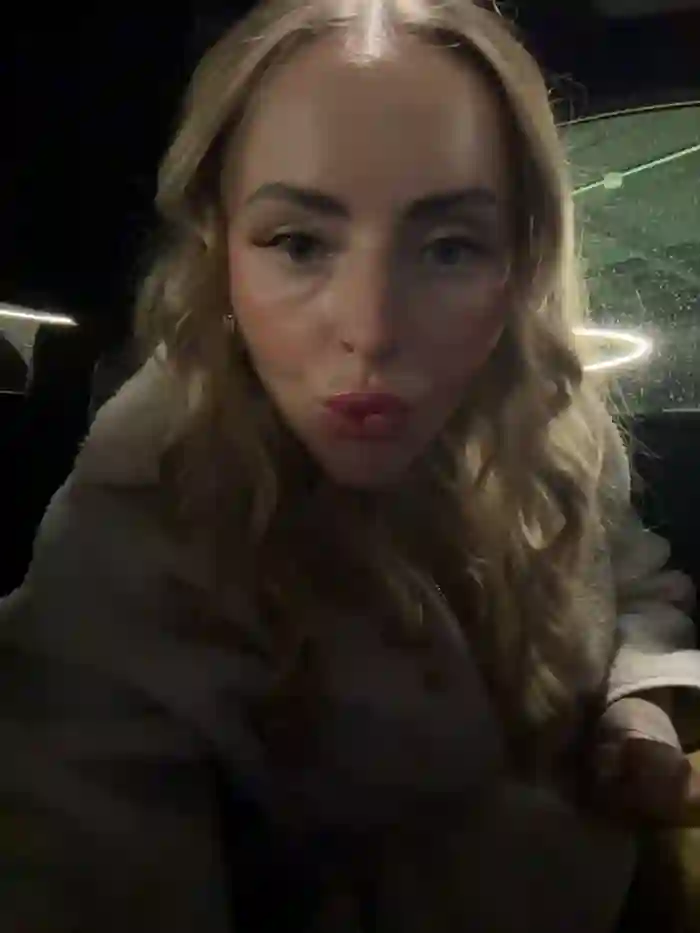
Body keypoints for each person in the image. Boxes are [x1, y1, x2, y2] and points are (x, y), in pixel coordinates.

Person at [2, 1, 700, 930]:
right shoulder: (136, 530)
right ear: (219, 249)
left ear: (520, 258)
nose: (370, 330)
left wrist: (639, 713)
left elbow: (632, 582)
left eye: (449, 247)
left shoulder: (550, 412)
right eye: (298, 242)